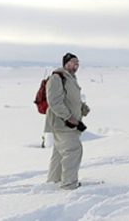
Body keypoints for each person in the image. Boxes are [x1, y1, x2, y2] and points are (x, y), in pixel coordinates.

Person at [45, 53, 90, 190]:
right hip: (62, 123)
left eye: (78, 62)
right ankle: (69, 184)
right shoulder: (57, 78)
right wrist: (68, 117)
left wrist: (82, 107)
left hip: (70, 122)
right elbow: (54, 102)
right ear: (65, 63)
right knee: (73, 150)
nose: (76, 64)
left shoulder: (70, 78)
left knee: (59, 152)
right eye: (73, 61)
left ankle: (54, 181)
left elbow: (69, 98)